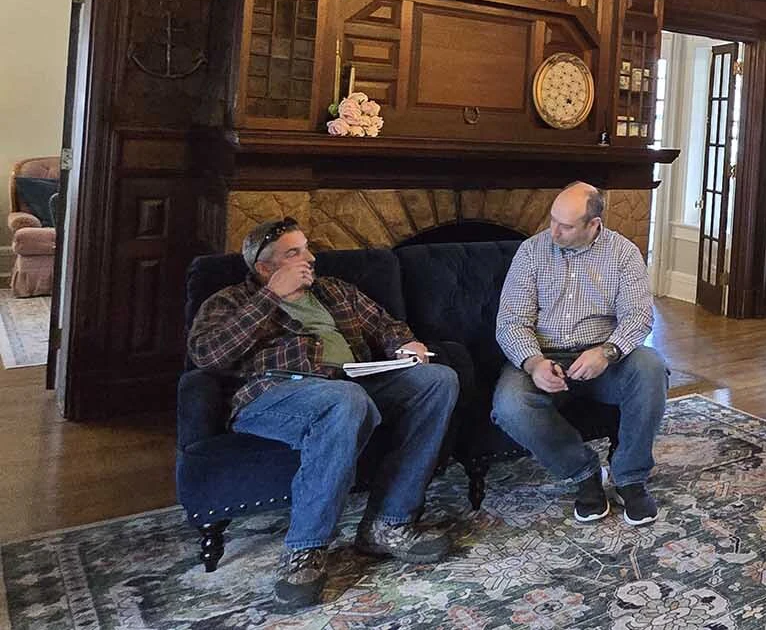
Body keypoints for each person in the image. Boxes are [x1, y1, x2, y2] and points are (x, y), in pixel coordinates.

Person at [188, 217, 458, 609]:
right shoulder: (230, 301)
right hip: (276, 394)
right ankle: (304, 549)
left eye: (307, 248)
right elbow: (207, 355)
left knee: (438, 379)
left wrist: (406, 345)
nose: (309, 258)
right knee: (344, 399)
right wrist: (269, 297)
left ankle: (389, 523)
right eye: (294, 253)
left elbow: (385, 325)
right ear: (265, 267)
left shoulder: (333, 291)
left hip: (355, 385)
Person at [493, 182, 668, 526]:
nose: (553, 231)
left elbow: (639, 316)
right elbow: (511, 320)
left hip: (604, 359)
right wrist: (533, 362)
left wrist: (608, 351)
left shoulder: (623, 253)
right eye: (552, 220)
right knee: (510, 405)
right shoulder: (531, 251)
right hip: (544, 357)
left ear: (593, 224)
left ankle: (630, 478)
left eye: (566, 225)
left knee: (651, 367)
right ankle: (583, 474)